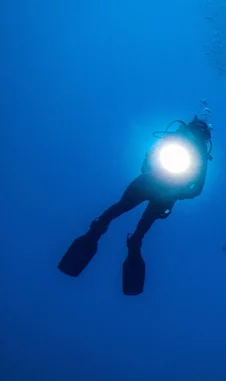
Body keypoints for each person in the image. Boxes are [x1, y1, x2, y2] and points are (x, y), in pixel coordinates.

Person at [58, 116, 213, 295]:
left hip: (163, 189)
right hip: (152, 182)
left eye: (200, 132)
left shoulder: (201, 155)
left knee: (131, 216)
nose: (196, 135)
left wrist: (173, 192)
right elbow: (151, 158)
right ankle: (105, 232)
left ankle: (127, 240)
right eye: (196, 130)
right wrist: (153, 174)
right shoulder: (173, 139)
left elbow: (196, 189)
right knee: (122, 209)